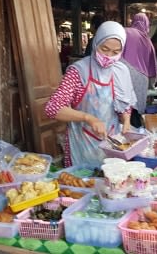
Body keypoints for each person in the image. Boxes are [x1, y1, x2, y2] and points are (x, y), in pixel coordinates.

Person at [45, 21, 136, 167]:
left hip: (112, 145)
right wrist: (88, 118)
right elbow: (53, 108)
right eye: (104, 49)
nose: (108, 56)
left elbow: (124, 104)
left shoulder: (120, 71)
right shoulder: (78, 71)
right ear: (96, 43)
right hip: (82, 145)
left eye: (115, 52)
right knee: (83, 185)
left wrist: (126, 121)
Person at [122, 13, 157, 117]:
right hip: (141, 80)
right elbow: (153, 70)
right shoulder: (148, 41)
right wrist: (152, 86)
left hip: (121, 74)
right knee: (135, 112)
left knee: (121, 108)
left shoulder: (125, 32)